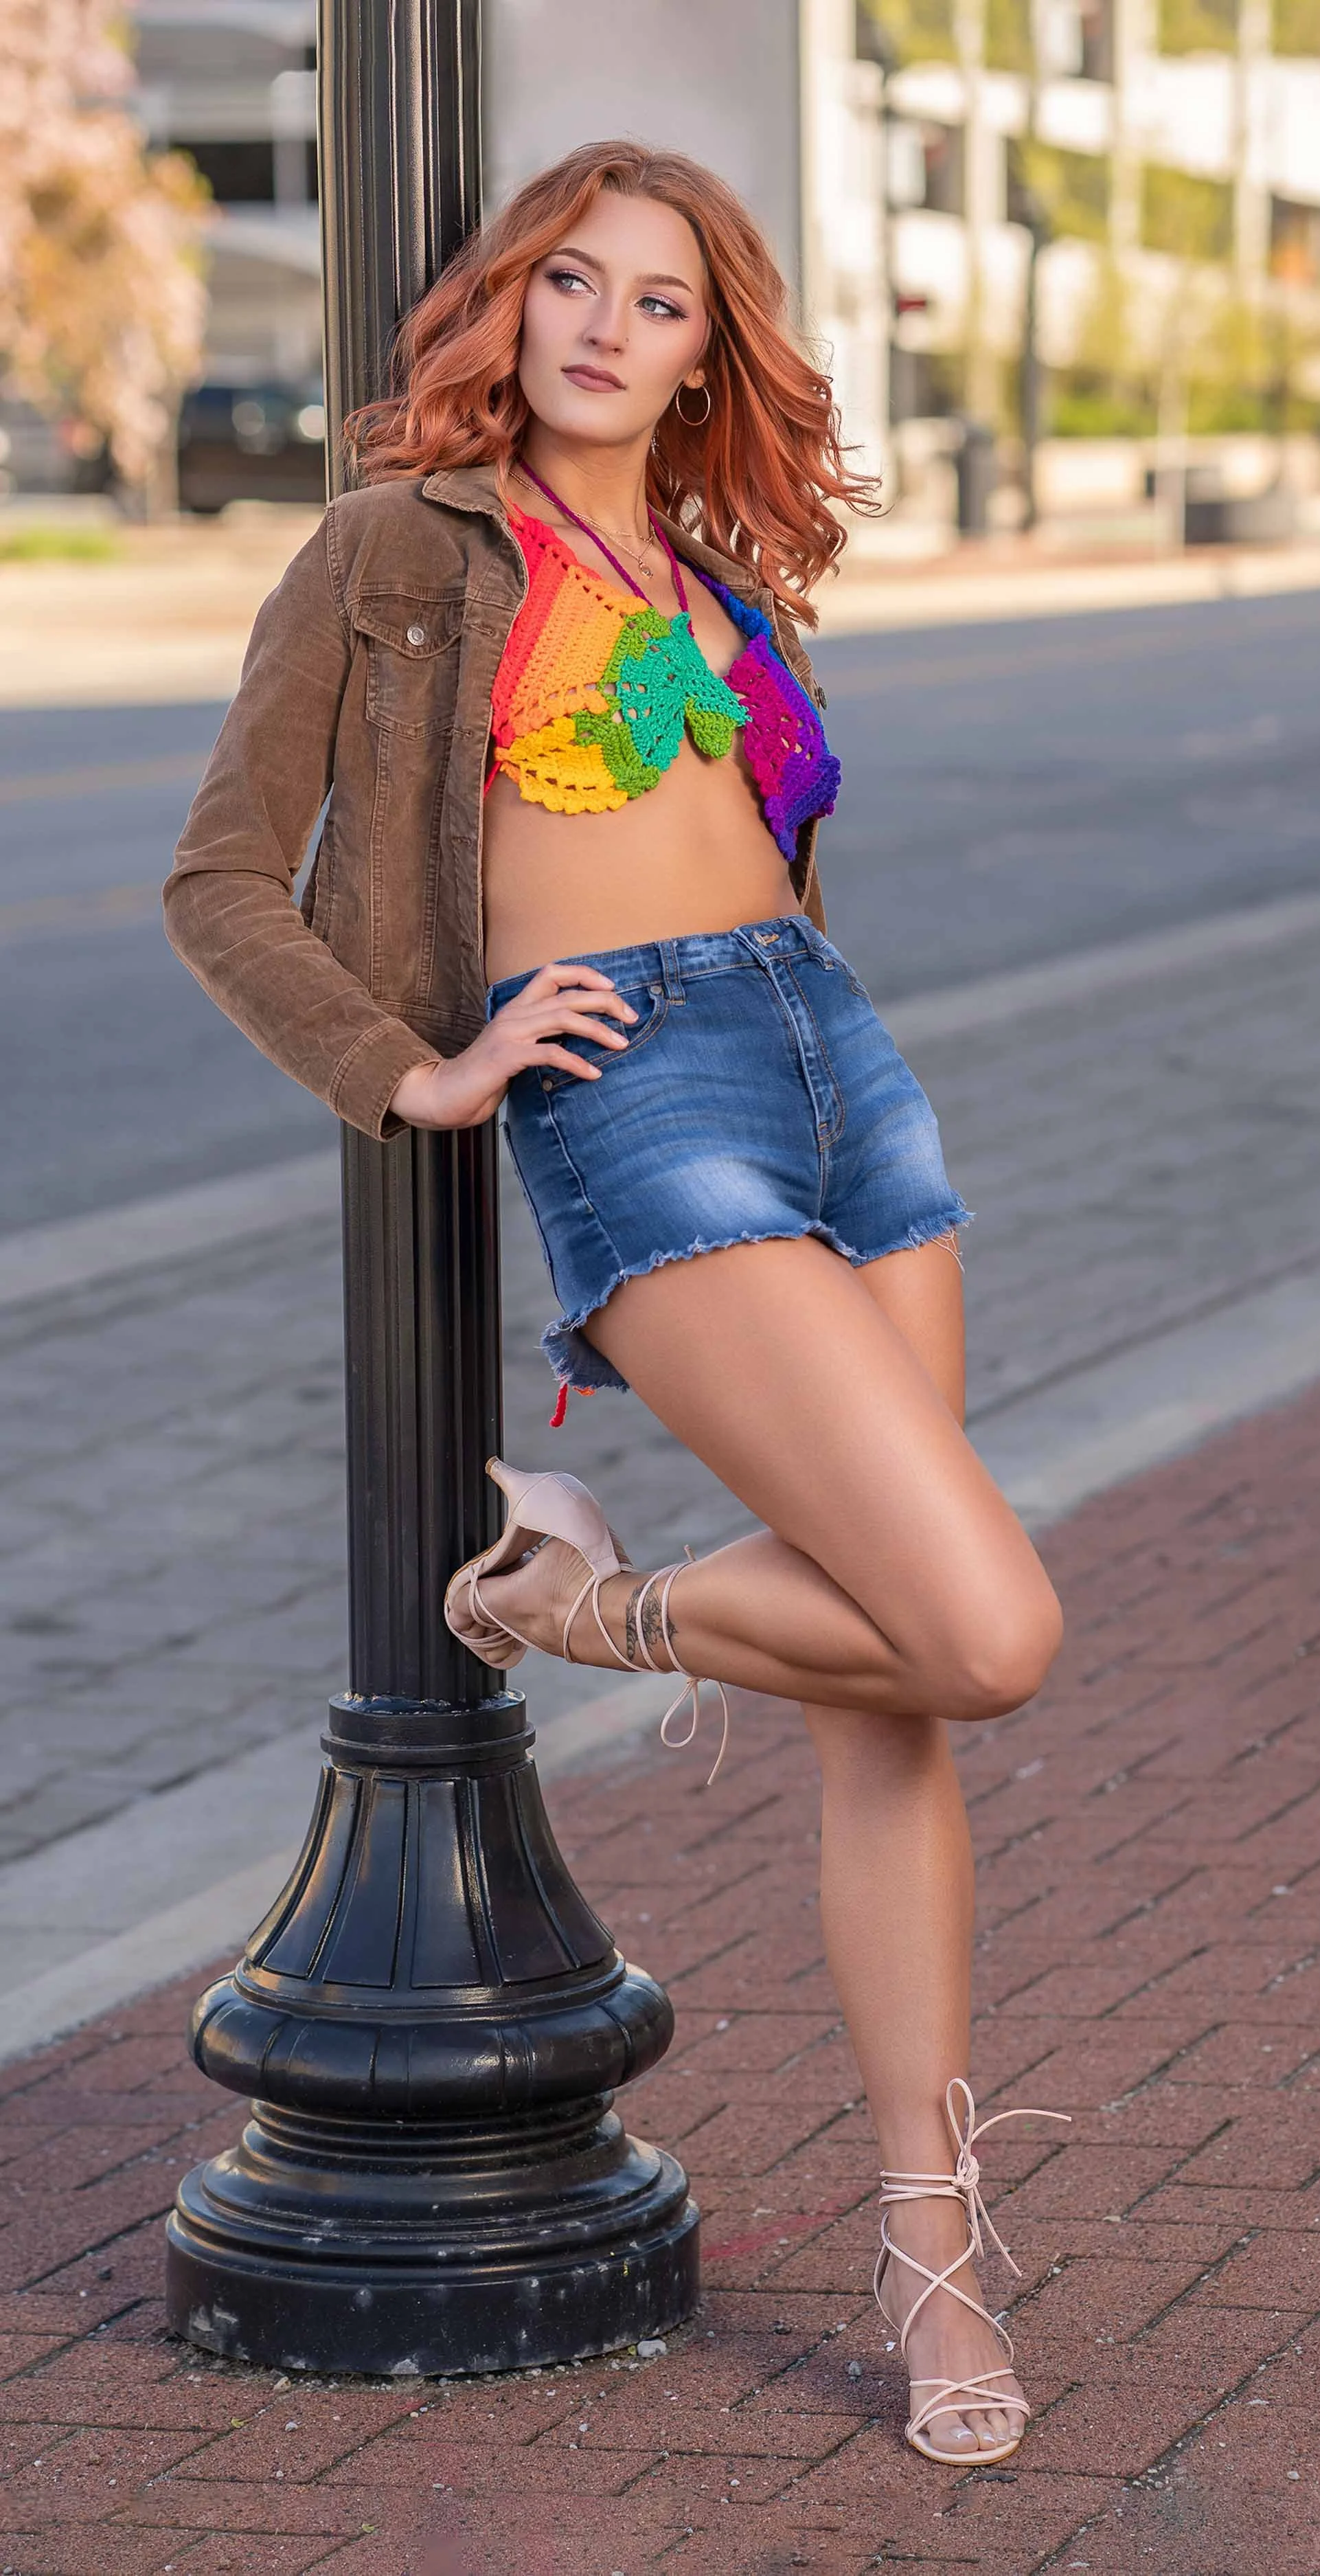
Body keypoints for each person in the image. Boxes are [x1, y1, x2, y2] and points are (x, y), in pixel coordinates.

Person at [165, 141, 1065, 2467]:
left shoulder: (718, 561)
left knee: (902, 1709)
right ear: (510, 302)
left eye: (656, 303)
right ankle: (590, 1614)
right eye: (568, 280)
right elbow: (219, 873)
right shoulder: (397, 547)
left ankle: (932, 2247)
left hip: (837, 1062)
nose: (599, 327)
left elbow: (771, 855)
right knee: (977, 1624)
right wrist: (417, 1061)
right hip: (636, 1092)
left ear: (704, 353)